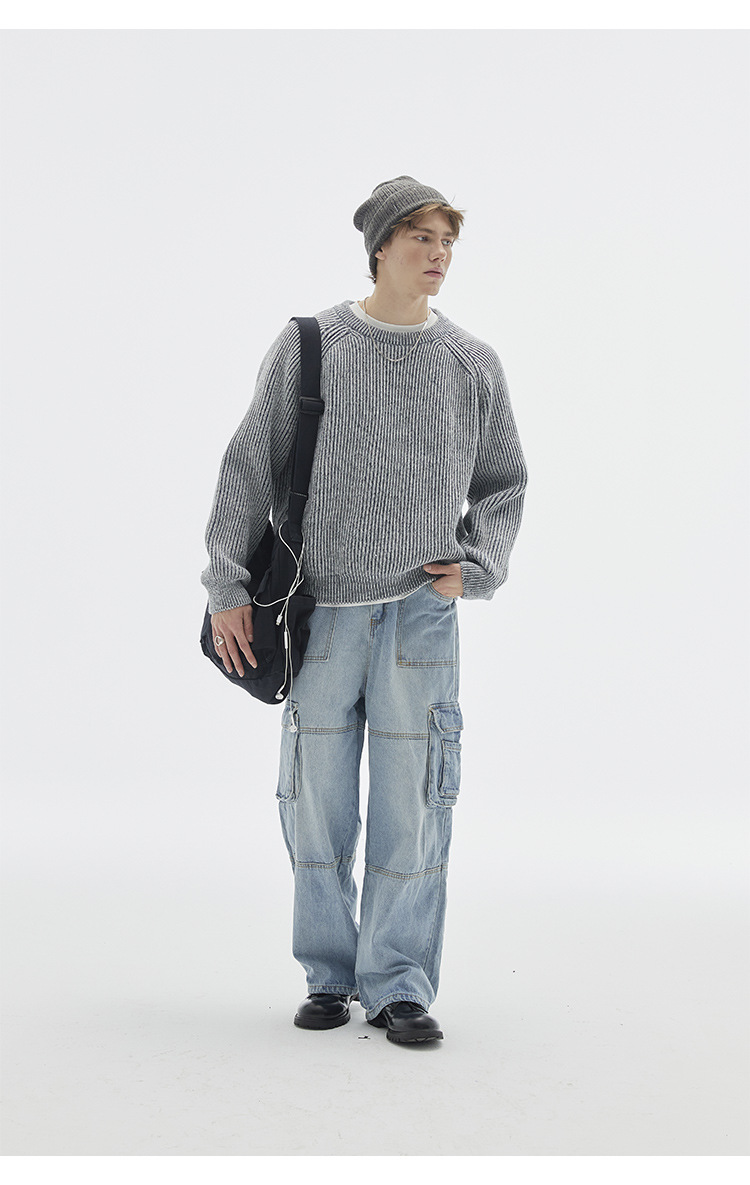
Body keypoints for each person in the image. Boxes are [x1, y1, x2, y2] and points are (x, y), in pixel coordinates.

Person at [200, 175, 528, 1045]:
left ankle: (399, 984)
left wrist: (479, 565)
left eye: (448, 241)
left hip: (421, 614)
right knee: (315, 798)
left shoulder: (472, 361)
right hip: (320, 614)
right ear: (381, 246)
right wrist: (226, 585)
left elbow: (505, 482)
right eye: (422, 237)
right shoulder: (312, 345)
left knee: (413, 801)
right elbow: (249, 465)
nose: (439, 254)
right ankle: (328, 973)